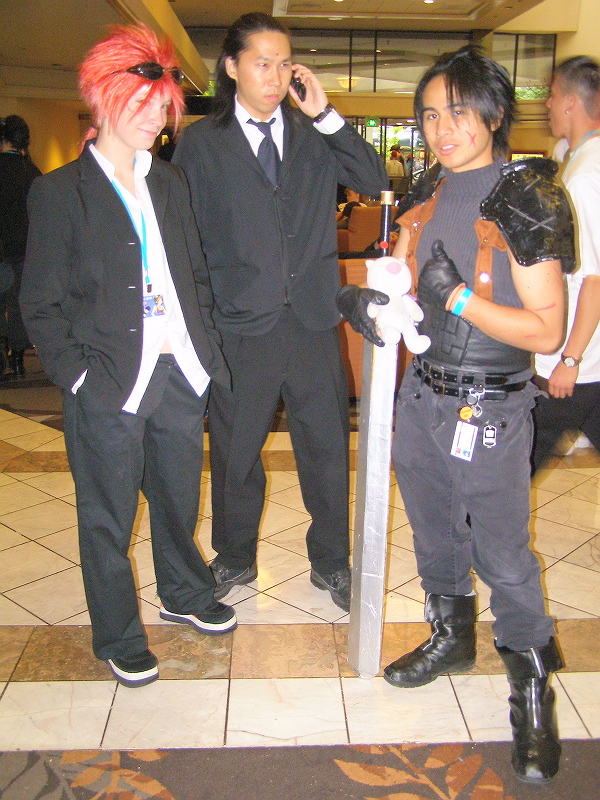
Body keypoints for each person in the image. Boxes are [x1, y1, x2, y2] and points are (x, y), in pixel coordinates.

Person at [338, 46, 574, 783]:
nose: (442, 129)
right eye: (431, 115)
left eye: (459, 112)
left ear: (495, 114)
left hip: (492, 406)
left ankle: (532, 695)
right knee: (434, 531)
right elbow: (404, 281)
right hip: (421, 396)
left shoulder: (527, 197)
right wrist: (367, 297)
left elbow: (547, 331)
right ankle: (453, 638)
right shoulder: (429, 190)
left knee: (503, 553)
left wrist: (461, 299)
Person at [20, 24, 237, 689]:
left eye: (163, 108)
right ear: (104, 100)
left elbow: (193, 273)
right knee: (107, 516)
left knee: (177, 499)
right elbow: (40, 303)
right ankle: (118, 633)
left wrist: (203, 350)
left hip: (179, 372)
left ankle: (184, 591)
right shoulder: (59, 192)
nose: (156, 120)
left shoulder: (169, 182)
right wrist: (79, 376)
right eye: (143, 105)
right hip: (109, 378)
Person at [173, 12, 387, 612]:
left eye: (284, 63)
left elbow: (375, 179)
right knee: (236, 453)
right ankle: (235, 557)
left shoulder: (314, 133)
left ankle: (332, 563)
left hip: (313, 322)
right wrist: (202, 322)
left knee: (326, 449)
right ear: (232, 67)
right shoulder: (202, 144)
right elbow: (185, 235)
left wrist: (326, 115)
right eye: (261, 63)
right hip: (240, 327)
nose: (275, 76)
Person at [532, 56, 600, 471]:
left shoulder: (584, 176)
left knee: (516, 466)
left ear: (572, 102)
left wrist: (569, 360)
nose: (547, 104)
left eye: (553, 95)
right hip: (588, 358)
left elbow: (594, 279)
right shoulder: (581, 162)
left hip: (578, 360)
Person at [0, 115, 41, 378]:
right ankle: (18, 359)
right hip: (25, 249)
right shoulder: (32, 172)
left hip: (2, 250)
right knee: (18, 303)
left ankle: (2, 353)